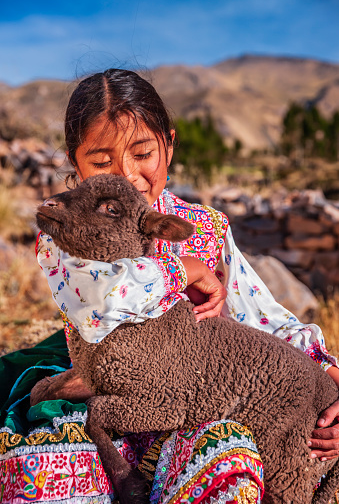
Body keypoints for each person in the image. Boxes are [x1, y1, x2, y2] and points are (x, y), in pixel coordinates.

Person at [1, 69, 339, 504]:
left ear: (170, 144)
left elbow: (261, 315)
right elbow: (103, 301)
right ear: (75, 160)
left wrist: (330, 379)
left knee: (230, 475)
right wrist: (184, 271)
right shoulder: (64, 236)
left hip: (200, 401)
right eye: (101, 162)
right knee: (42, 479)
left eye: (143, 153)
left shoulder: (205, 228)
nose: (127, 175)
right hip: (111, 396)